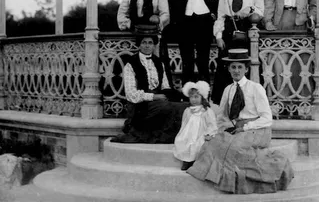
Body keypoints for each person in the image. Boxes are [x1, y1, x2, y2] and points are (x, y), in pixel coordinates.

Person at [187, 49, 294, 195]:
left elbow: (267, 118)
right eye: (233, 67)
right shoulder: (228, 90)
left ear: (246, 69)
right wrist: (215, 131)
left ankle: (249, 181)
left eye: (240, 67)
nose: (236, 71)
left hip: (258, 128)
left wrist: (247, 127)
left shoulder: (256, 88)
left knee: (234, 148)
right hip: (237, 128)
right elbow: (222, 116)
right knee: (213, 143)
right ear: (229, 69)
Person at [113, 24, 186, 144]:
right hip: (139, 105)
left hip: (159, 101)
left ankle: (166, 136)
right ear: (139, 44)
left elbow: (165, 87)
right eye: (144, 42)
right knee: (165, 106)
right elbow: (131, 94)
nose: (147, 45)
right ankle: (138, 131)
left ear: (154, 45)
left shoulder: (159, 63)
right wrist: (153, 97)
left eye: (150, 42)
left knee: (184, 106)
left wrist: (180, 94)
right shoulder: (131, 64)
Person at [211, 0, 264, 104]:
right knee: (226, 65)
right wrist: (218, 35)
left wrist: (248, 10)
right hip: (228, 30)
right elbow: (220, 15)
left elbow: (260, 11)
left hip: (247, 29)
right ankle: (224, 104)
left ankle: (249, 102)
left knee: (246, 63)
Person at [173, 80, 217, 171]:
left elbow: (211, 124)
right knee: (184, 142)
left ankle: (195, 161)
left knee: (199, 144)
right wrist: (182, 133)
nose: (193, 99)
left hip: (201, 132)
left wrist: (209, 133)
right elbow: (184, 123)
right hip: (189, 133)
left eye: (196, 97)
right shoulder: (188, 110)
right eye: (191, 97)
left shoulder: (206, 110)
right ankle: (186, 161)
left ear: (202, 97)